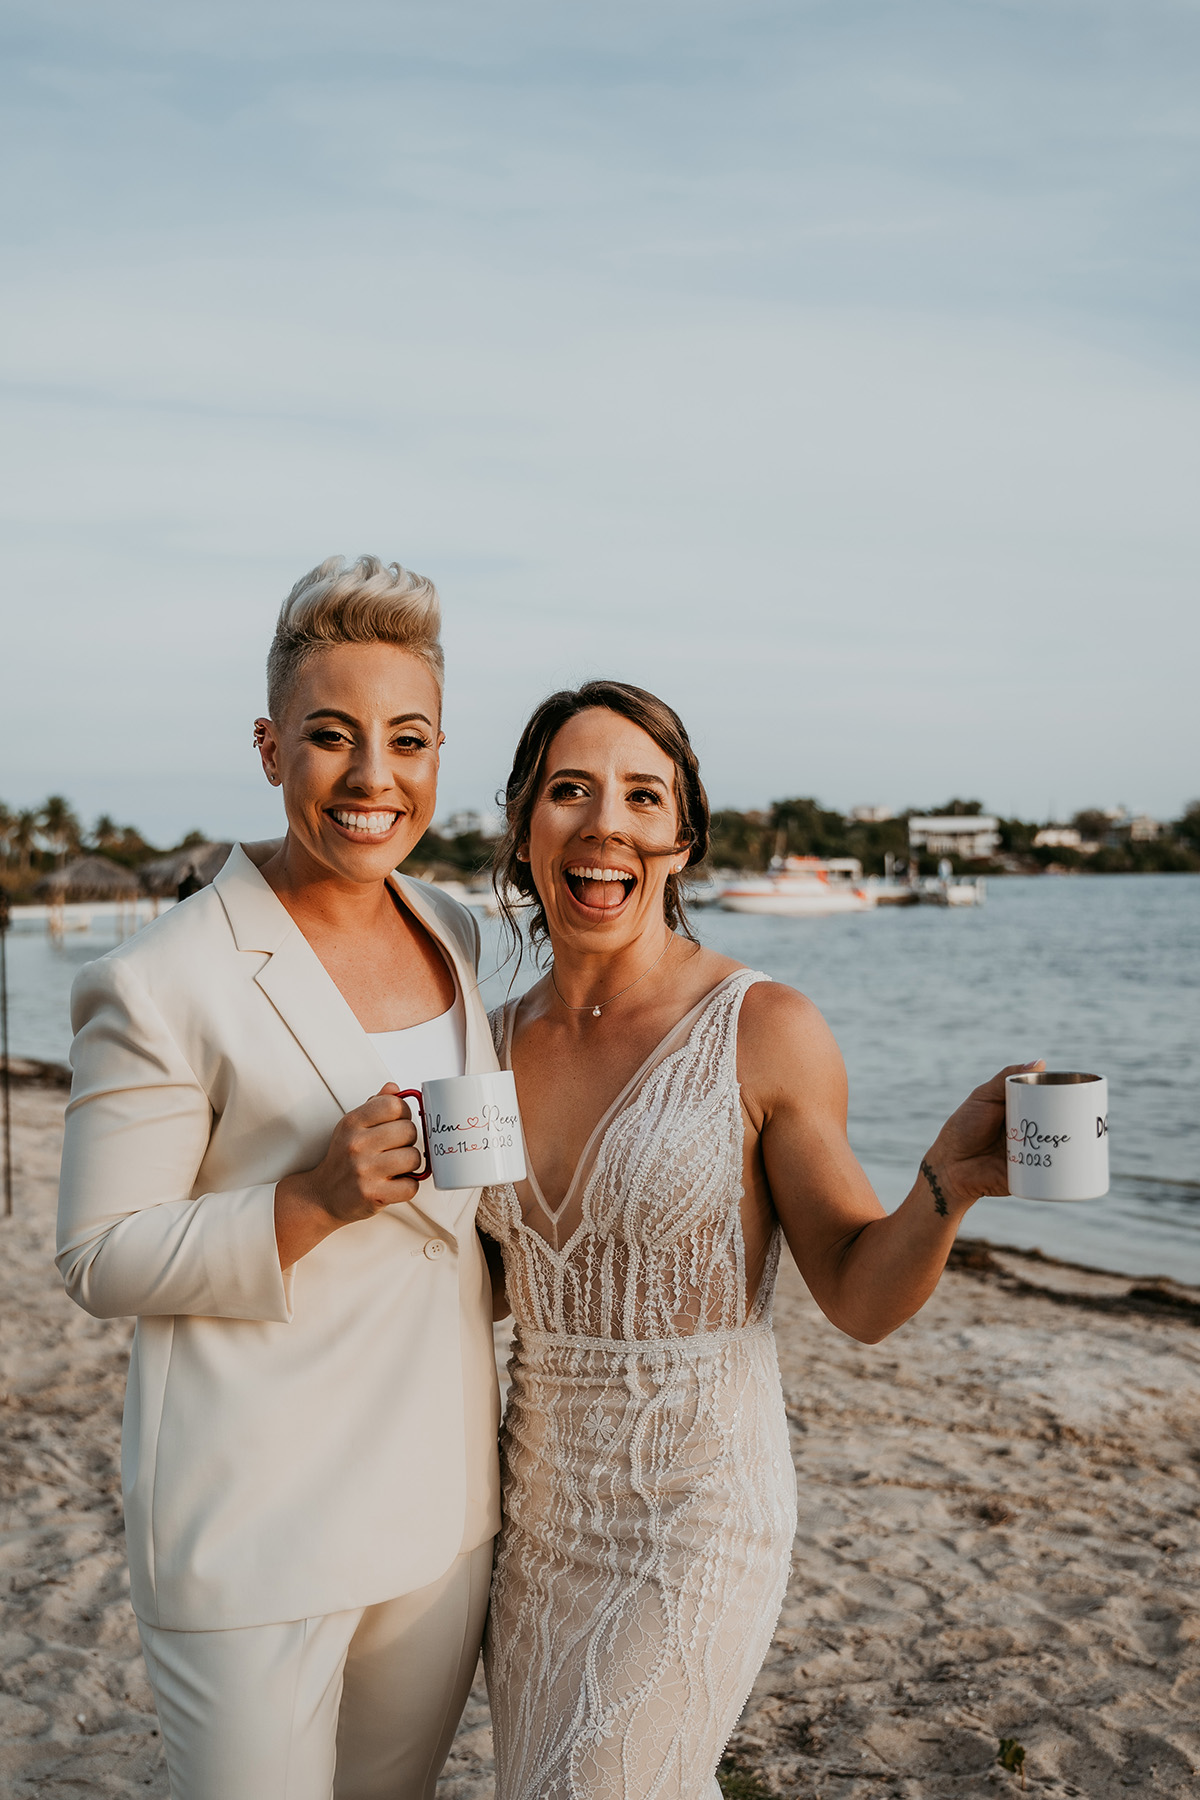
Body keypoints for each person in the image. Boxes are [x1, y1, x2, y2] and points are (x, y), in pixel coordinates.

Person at [477, 680, 1036, 1800]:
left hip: (698, 1508)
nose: (604, 825)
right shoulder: (483, 1045)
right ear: (524, 823)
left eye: (643, 797)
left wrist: (950, 1182)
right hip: (531, 1515)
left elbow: (860, 1297)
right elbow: (478, 1285)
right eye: (569, 791)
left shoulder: (765, 1027)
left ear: (681, 841)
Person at [56, 556, 501, 1800]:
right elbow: (97, 1257)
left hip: (440, 1507)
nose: (374, 778)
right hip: (254, 1520)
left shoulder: (455, 930)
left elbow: (454, 1224)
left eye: (407, 741)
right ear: (268, 747)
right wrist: (308, 1202)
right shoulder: (162, 979)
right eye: (331, 738)